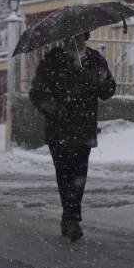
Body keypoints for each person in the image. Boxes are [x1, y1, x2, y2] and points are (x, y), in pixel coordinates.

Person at [29, 32, 116, 241]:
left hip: (84, 126)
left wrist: (96, 80)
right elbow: (37, 93)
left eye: (78, 37)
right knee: (64, 173)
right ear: (63, 40)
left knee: (79, 174)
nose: (74, 41)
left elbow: (109, 89)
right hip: (59, 129)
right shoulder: (52, 61)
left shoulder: (95, 60)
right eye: (70, 38)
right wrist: (56, 109)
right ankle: (70, 218)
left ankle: (71, 217)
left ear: (85, 38)